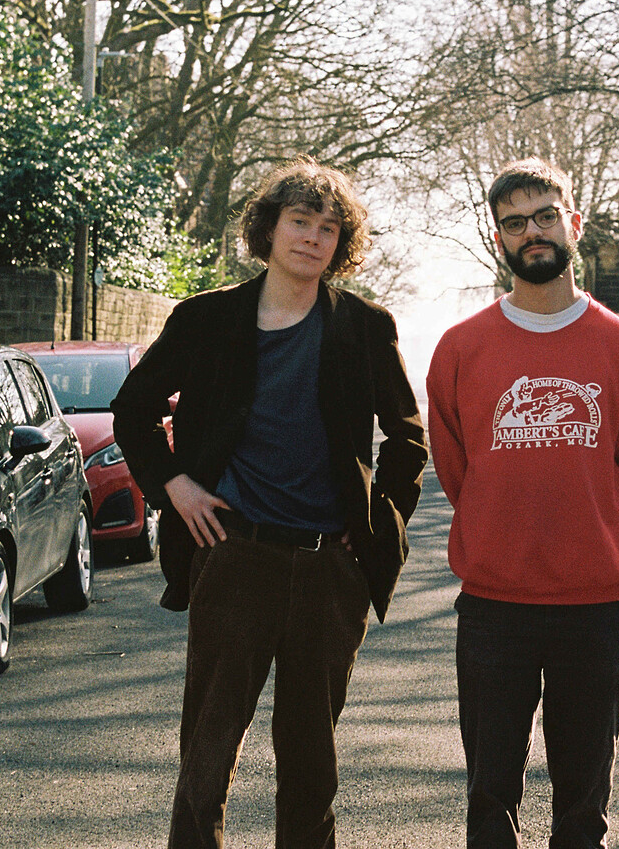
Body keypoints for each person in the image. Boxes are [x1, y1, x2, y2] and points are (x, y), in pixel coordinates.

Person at [111, 159, 428, 849]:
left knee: (312, 759)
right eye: (299, 221)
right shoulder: (207, 319)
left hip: (327, 571)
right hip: (232, 556)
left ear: (340, 244)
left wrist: (376, 523)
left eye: (327, 228)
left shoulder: (365, 326)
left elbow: (408, 441)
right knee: (207, 749)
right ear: (269, 228)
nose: (311, 238)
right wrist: (174, 483)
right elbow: (133, 410)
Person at [426, 158, 619, 849]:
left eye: (543, 217)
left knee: (583, 800)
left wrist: (594, 549)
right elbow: (456, 467)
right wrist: (497, 537)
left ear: (572, 224)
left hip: (592, 606)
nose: (531, 232)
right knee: (490, 794)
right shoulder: (460, 348)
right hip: (494, 606)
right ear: (496, 238)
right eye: (513, 223)